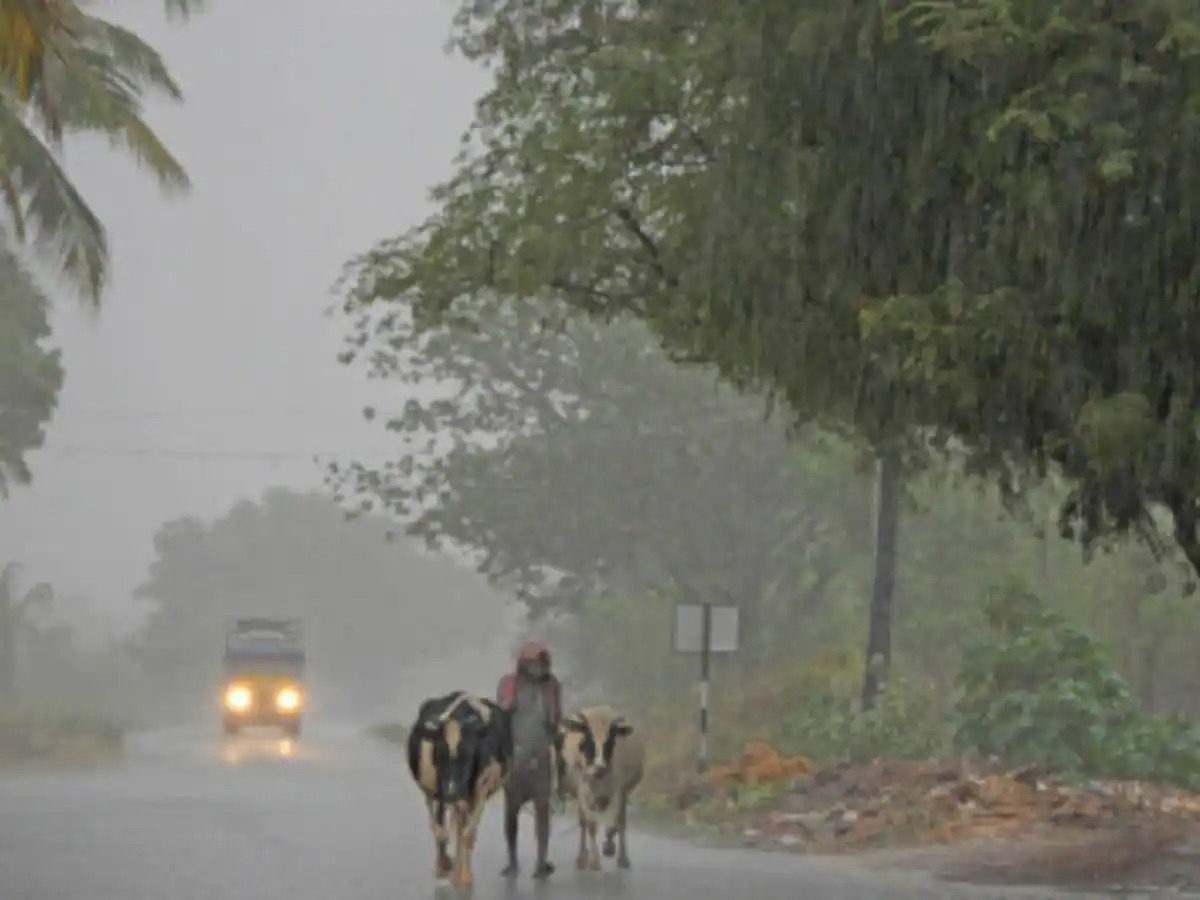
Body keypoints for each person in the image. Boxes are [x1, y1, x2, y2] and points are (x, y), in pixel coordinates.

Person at [495, 640, 562, 879]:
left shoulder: (552, 685)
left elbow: (555, 722)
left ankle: (541, 860)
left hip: (541, 755)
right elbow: (501, 720)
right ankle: (512, 859)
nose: (539, 667)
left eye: (542, 662)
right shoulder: (508, 685)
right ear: (524, 664)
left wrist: (545, 749)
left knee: (543, 808)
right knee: (511, 810)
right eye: (534, 662)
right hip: (515, 755)